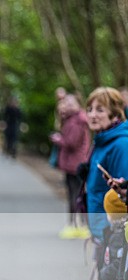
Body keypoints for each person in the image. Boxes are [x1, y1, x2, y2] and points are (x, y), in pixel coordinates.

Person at [84, 87, 128, 280]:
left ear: (114, 112)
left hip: (114, 228)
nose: (92, 114)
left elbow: (121, 192)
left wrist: (112, 233)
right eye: (90, 109)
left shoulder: (120, 143)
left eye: (100, 109)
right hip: (100, 225)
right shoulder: (103, 140)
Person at [50, 94, 90, 239]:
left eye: (71, 103)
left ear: (79, 104)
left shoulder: (78, 121)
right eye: (66, 102)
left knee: (76, 195)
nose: (68, 105)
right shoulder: (71, 119)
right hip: (71, 163)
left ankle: (78, 225)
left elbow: (72, 142)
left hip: (76, 163)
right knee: (74, 194)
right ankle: (75, 224)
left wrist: (59, 139)